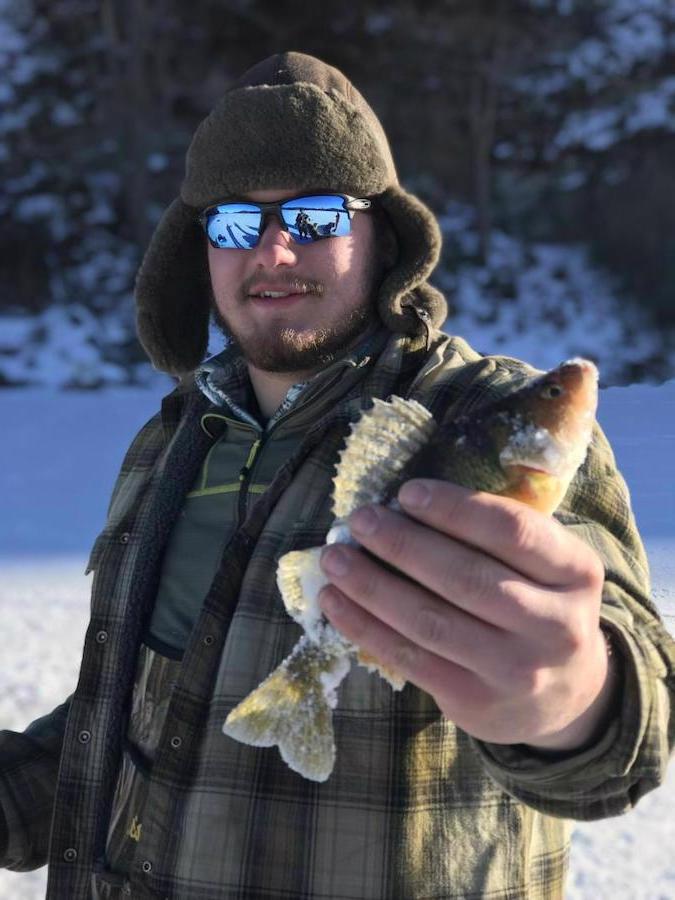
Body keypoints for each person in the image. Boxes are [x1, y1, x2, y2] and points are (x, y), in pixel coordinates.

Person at [1, 51, 673, 900]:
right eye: (236, 223)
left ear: (382, 237)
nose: (275, 251)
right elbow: (130, 719)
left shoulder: (489, 422)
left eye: (316, 216)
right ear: (198, 250)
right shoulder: (171, 444)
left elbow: (624, 711)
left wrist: (571, 699)